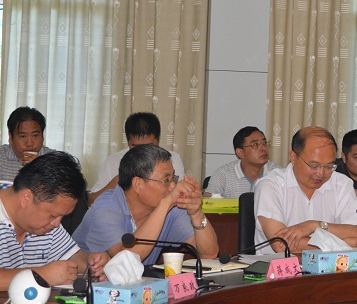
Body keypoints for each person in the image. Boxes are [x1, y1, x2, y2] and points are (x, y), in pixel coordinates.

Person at [73, 144, 218, 265]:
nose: (173, 186)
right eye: (166, 180)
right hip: (85, 285)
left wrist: (196, 213)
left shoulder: (168, 206)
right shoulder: (106, 206)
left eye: (173, 178)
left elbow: (209, 254)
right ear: (138, 184)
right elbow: (126, 261)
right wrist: (165, 204)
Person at [0, 151, 108, 290]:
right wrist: (40, 275)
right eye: (53, 215)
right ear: (26, 197)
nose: (57, 223)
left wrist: (92, 265)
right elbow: (47, 274)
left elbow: (72, 258)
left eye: (63, 216)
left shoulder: (47, 223)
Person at [254, 126, 357, 254]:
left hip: (330, 266)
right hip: (278, 266)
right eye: (314, 165)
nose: (321, 173)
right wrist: (341, 245)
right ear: (293, 157)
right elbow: (281, 244)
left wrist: (314, 226)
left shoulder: (342, 184)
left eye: (329, 166)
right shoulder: (270, 185)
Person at [88, 112, 185, 205]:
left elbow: (180, 199)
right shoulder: (112, 162)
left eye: (149, 147)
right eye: (136, 147)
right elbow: (92, 202)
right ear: (128, 142)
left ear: (158, 141)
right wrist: (117, 181)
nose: (143, 152)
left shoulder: (171, 160)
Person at [205, 126, 280, 198]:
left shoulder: (278, 174)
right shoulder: (223, 175)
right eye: (255, 145)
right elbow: (208, 202)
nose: (263, 148)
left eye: (264, 143)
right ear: (240, 153)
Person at [0, 107, 55, 181]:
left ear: (42, 136)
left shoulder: (54, 160)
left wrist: (40, 167)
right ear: (10, 137)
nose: (29, 143)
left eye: (35, 136)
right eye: (23, 136)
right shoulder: (1, 157)